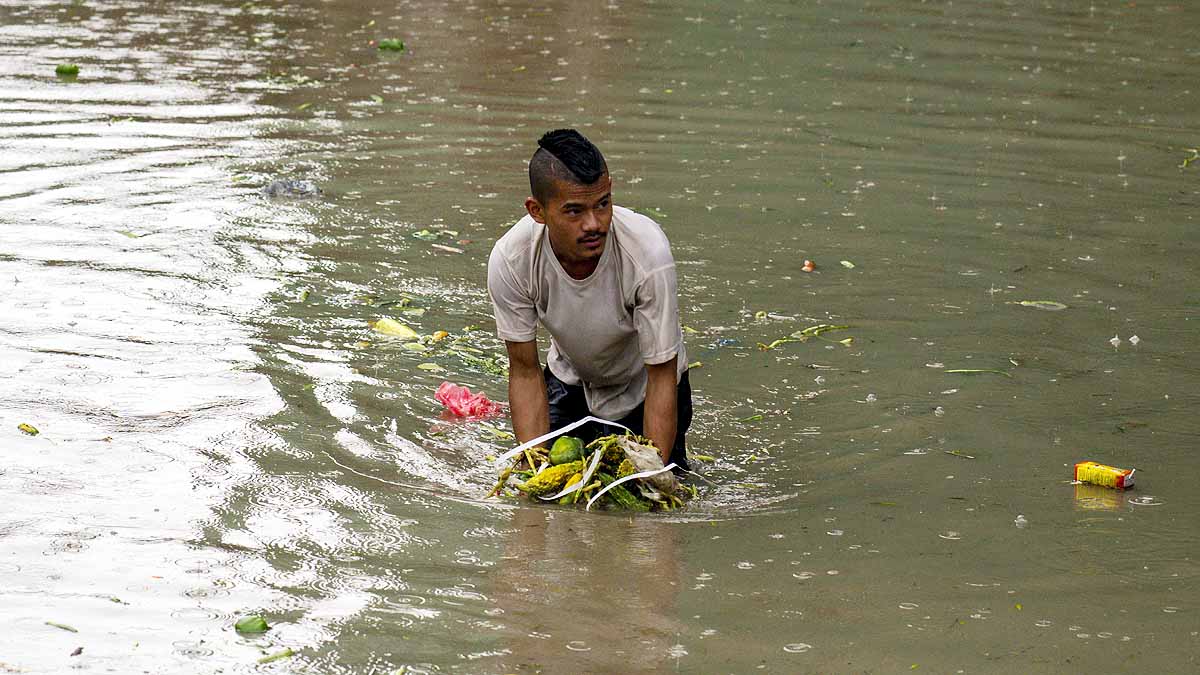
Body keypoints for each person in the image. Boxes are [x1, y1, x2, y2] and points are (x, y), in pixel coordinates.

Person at [487, 128, 692, 472]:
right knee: (546, 486)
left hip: (645, 389)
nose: (594, 224)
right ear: (537, 211)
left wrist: (652, 473)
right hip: (570, 382)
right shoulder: (513, 258)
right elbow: (523, 371)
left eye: (603, 204)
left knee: (654, 501)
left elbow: (661, 375)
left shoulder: (647, 254)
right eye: (574, 212)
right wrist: (532, 466)